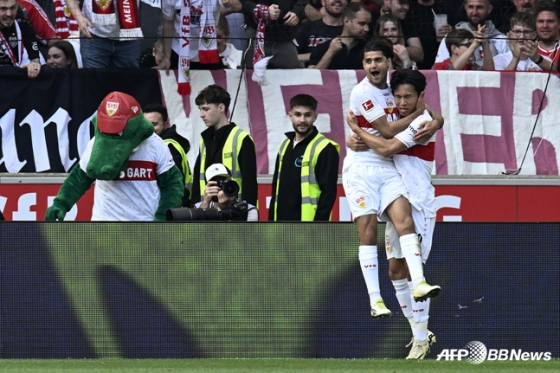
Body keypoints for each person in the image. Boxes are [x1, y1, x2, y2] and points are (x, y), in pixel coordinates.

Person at [343, 37, 441, 324]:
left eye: (378, 60)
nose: (373, 65)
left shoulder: (396, 91)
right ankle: (375, 298)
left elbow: (411, 117)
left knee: (404, 222)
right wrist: (424, 117)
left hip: (389, 168)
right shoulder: (362, 92)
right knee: (369, 232)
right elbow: (386, 132)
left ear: (389, 62)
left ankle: (421, 285)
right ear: (363, 65)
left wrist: (435, 119)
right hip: (362, 169)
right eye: (368, 61)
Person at [45, 92, 184, 221]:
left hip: (144, 225)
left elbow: (172, 184)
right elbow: (79, 178)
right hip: (105, 225)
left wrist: (162, 217)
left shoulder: (155, 144)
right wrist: (61, 204)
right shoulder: (97, 144)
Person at [268, 94, 340, 222]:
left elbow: (328, 194)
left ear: (315, 117)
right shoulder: (284, 146)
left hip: (309, 226)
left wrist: (318, 226)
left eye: (307, 115)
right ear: (290, 116)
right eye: (297, 114)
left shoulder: (325, 148)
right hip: (280, 224)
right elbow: (276, 189)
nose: (302, 120)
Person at [191, 85, 258, 213]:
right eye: (200, 109)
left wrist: (248, 217)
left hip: (235, 216)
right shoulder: (204, 141)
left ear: (221, 107)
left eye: (205, 109)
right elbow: (197, 185)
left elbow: (250, 186)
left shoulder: (241, 139)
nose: (201, 114)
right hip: (206, 216)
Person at [64, 0, 142, 68]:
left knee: (127, 81)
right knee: (94, 82)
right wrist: (79, 18)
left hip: (127, 36)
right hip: (94, 36)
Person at [144, 103, 193, 207]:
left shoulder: (167, 147)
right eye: (146, 124)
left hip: (173, 212)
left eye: (154, 124)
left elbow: (172, 188)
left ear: (166, 124)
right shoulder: (158, 145)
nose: (149, 129)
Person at [434, 0, 510, 67]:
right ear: (466, 7)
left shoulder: (502, 39)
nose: (474, 12)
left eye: (479, 7)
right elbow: (441, 71)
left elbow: (505, 73)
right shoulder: (451, 38)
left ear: (489, 9)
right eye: (470, 7)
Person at [156, 0, 222, 74]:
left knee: (213, 84)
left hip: (207, 50)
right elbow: (168, 22)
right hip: (178, 50)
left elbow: (236, 6)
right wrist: (167, 56)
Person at [239, 0, 307, 69]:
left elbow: (302, 2)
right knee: (248, 74)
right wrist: (263, 10)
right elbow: (240, 3)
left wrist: (297, 12)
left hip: (284, 37)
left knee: (294, 75)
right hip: (256, 37)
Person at [308, 2, 371, 69]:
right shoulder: (323, 48)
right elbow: (312, 77)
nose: (367, 29)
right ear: (346, 21)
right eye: (362, 24)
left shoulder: (370, 49)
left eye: (368, 24)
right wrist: (330, 53)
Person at [295, 0, 347, 66]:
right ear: (323, 2)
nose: (337, 0)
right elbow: (292, 57)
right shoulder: (307, 28)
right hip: (310, 74)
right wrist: (315, 55)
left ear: (346, 3)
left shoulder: (350, 31)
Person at [0, 0, 42, 79]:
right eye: (3, 9)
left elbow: (35, 58)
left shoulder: (24, 24)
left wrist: (34, 64)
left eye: (12, 8)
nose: (9, 14)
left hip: (17, 81)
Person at [406, 0, 452, 69]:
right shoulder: (410, 9)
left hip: (442, 60)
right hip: (420, 65)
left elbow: (455, 33)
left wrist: (451, 31)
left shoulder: (443, 7)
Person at [375, 0, 424, 65]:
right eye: (401, 3)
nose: (406, 7)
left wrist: (397, 51)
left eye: (394, 29)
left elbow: (419, 54)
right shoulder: (372, 18)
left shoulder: (408, 21)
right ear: (387, 1)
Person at [534, 2, 560, 66]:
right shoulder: (527, 50)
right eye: (541, 21)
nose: (545, 26)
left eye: (550, 21)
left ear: (559, 24)